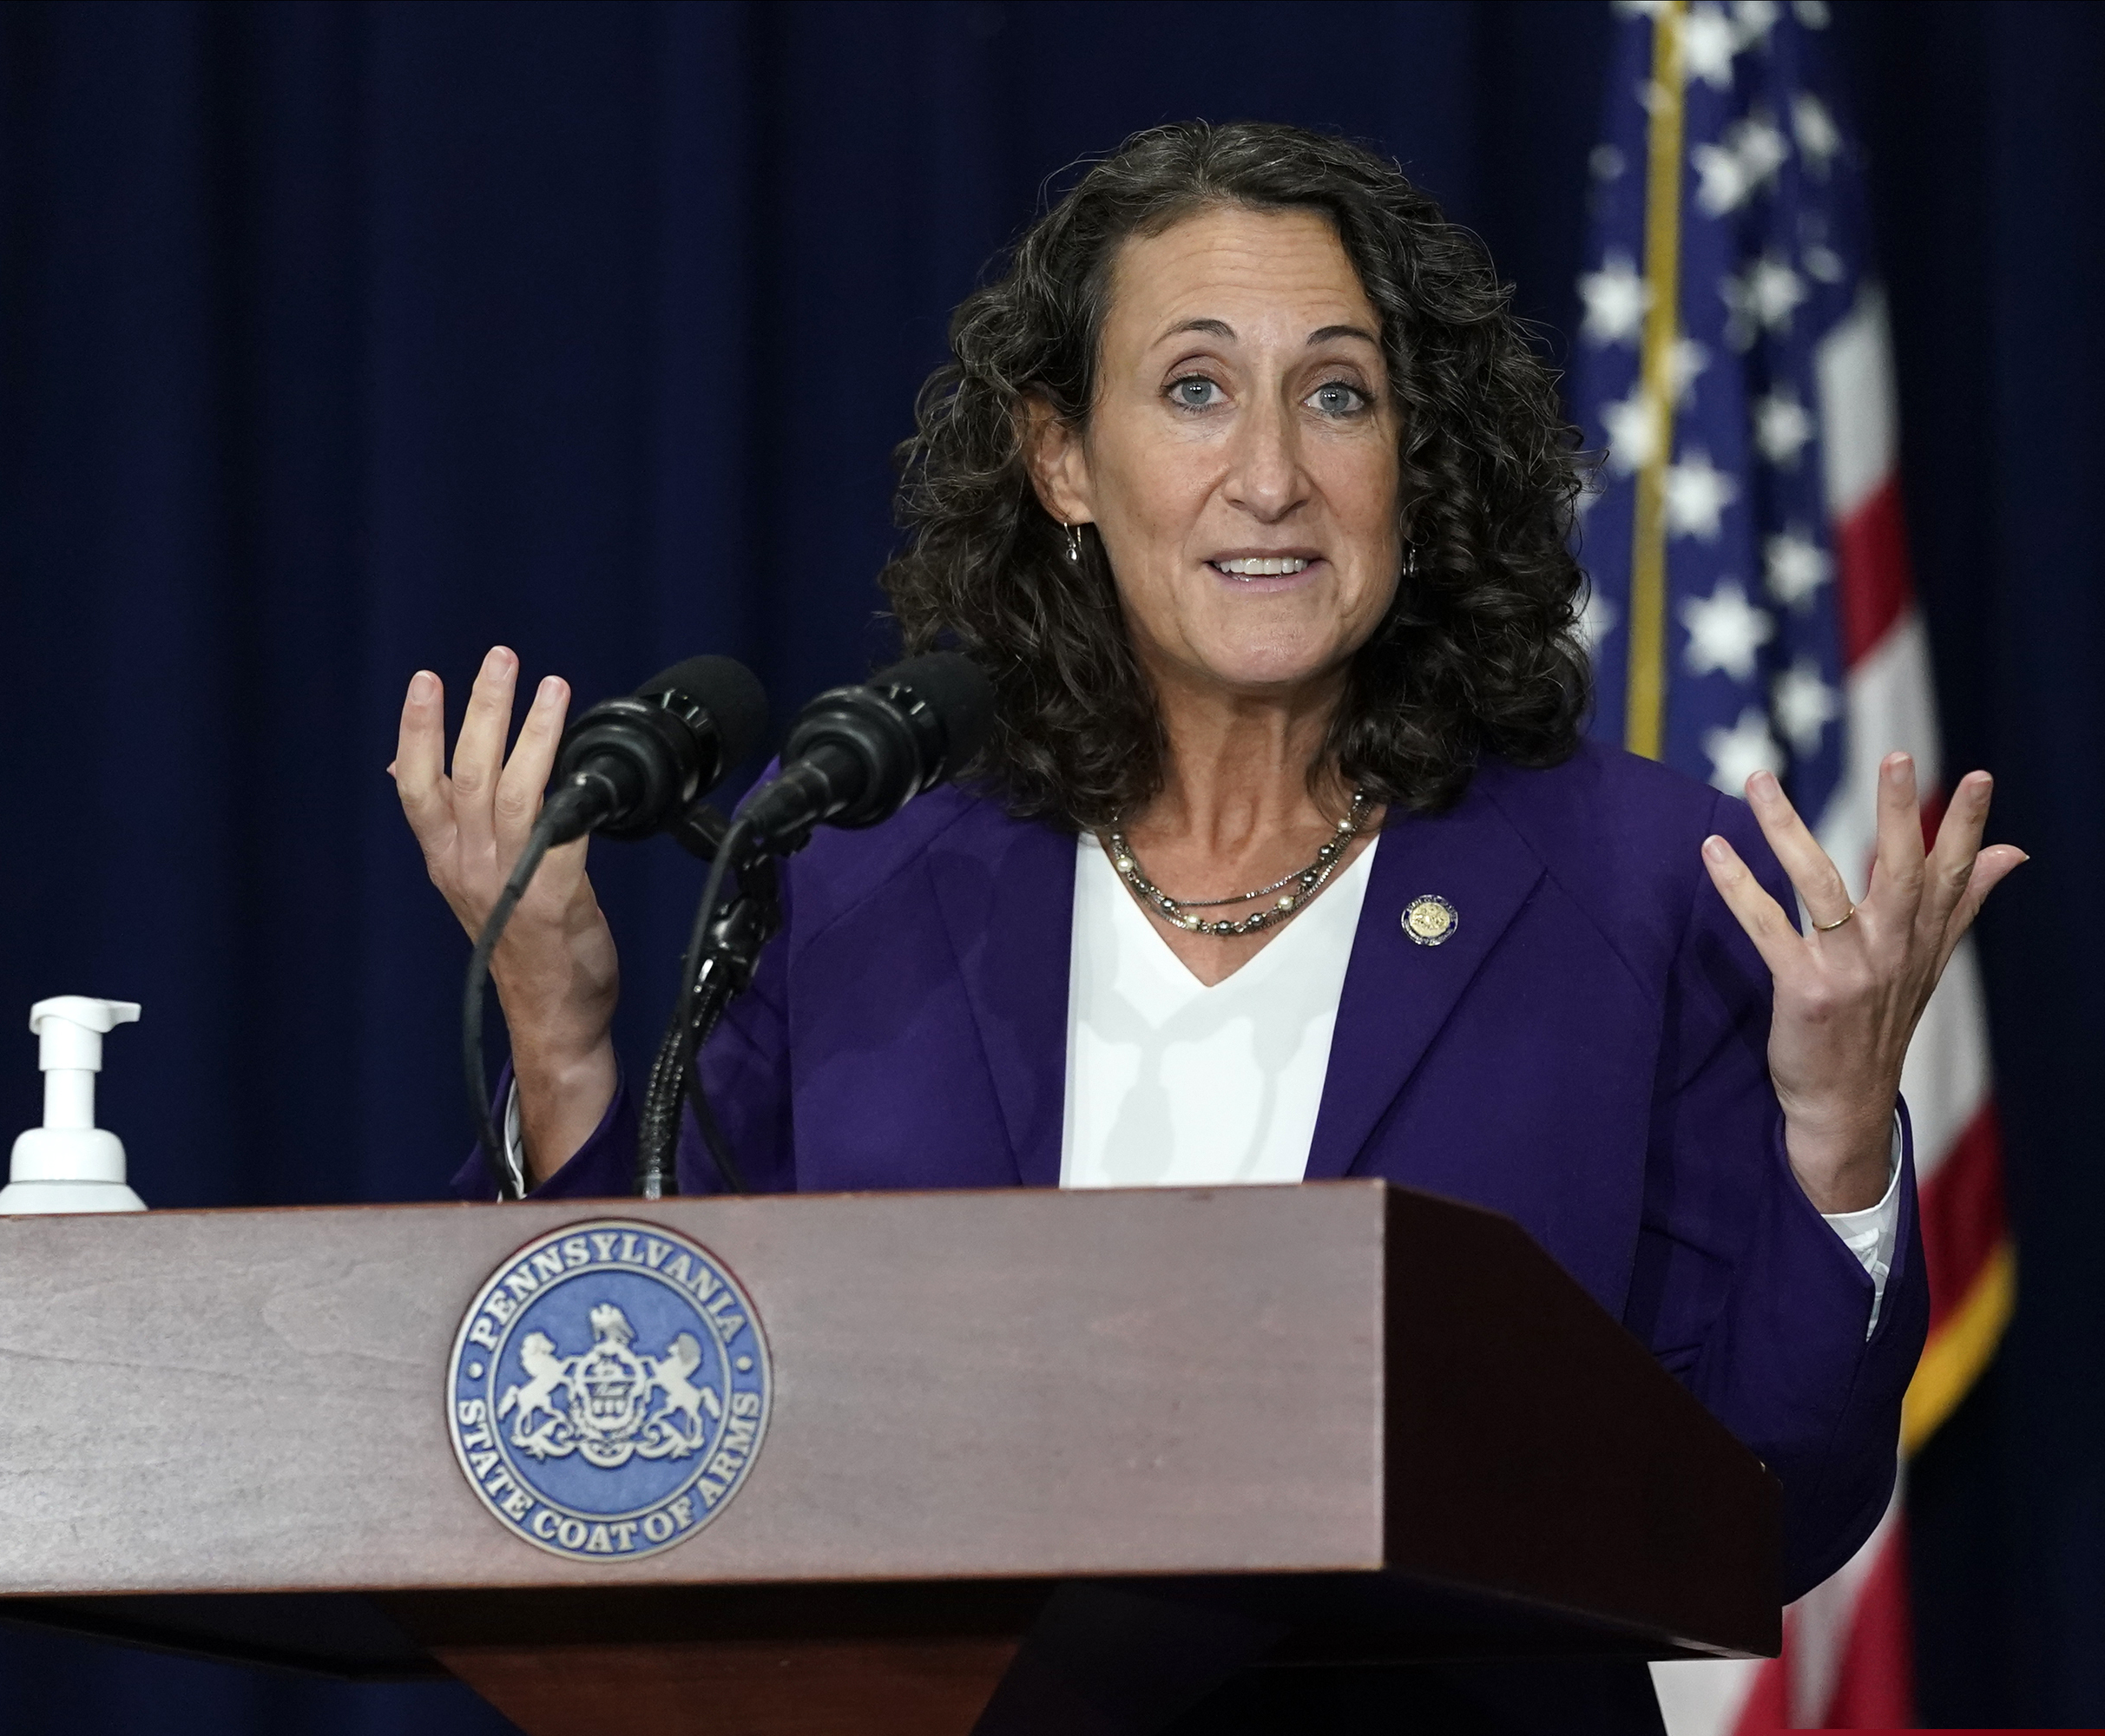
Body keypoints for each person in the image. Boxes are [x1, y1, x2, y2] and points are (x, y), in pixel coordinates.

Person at [390, 122, 2022, 1733]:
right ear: (1062, 463)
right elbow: (638, 1433)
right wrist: (560, 1030)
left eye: (1338, 394)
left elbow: (1768, 1509)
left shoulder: (1640, 880)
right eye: (1192, 388)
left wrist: (1835, 1148)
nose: (1270, 473)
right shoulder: (866, 882)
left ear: (1413, 460)